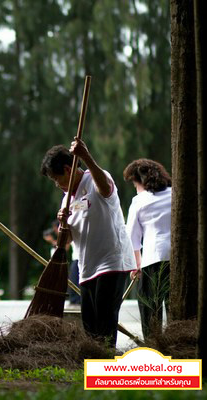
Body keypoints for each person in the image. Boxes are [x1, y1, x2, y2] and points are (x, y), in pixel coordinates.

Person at [41, 139, 135, 348]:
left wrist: (86, 157)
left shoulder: (96, 179)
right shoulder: (67, 200)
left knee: (105, 321)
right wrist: (63, 223)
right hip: (87, 268)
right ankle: (93, 364)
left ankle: (105, 366)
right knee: (90, 325)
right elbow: (65, 243)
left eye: (57, 179)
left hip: (111, 262)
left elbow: (105, 188)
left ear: (68, 168)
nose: (57, 184)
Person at [123, 159, 171, 339]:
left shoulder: (139, 201)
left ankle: (154, 349)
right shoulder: (176, 193)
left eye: (135, 184)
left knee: (150, 311)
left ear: (141, 181)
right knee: (176, 308)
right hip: (178, 259)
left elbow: (132, 237)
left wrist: (136, 265)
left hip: (152, 260)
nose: (135, 188)